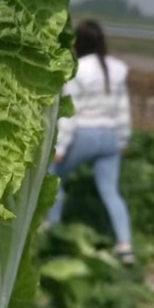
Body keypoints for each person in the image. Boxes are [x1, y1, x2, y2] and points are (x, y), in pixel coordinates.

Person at [47, 20, 134, 262]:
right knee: (110, 191)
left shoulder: (79, 69)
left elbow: (70, 111)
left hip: (84, 135)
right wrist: (123, 138)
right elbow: (123, 108)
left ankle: (52, 230)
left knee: (54, 177)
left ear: (79, 43)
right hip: (110, 137)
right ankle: (125, 245)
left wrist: (61, 147)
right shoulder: (117, 68)